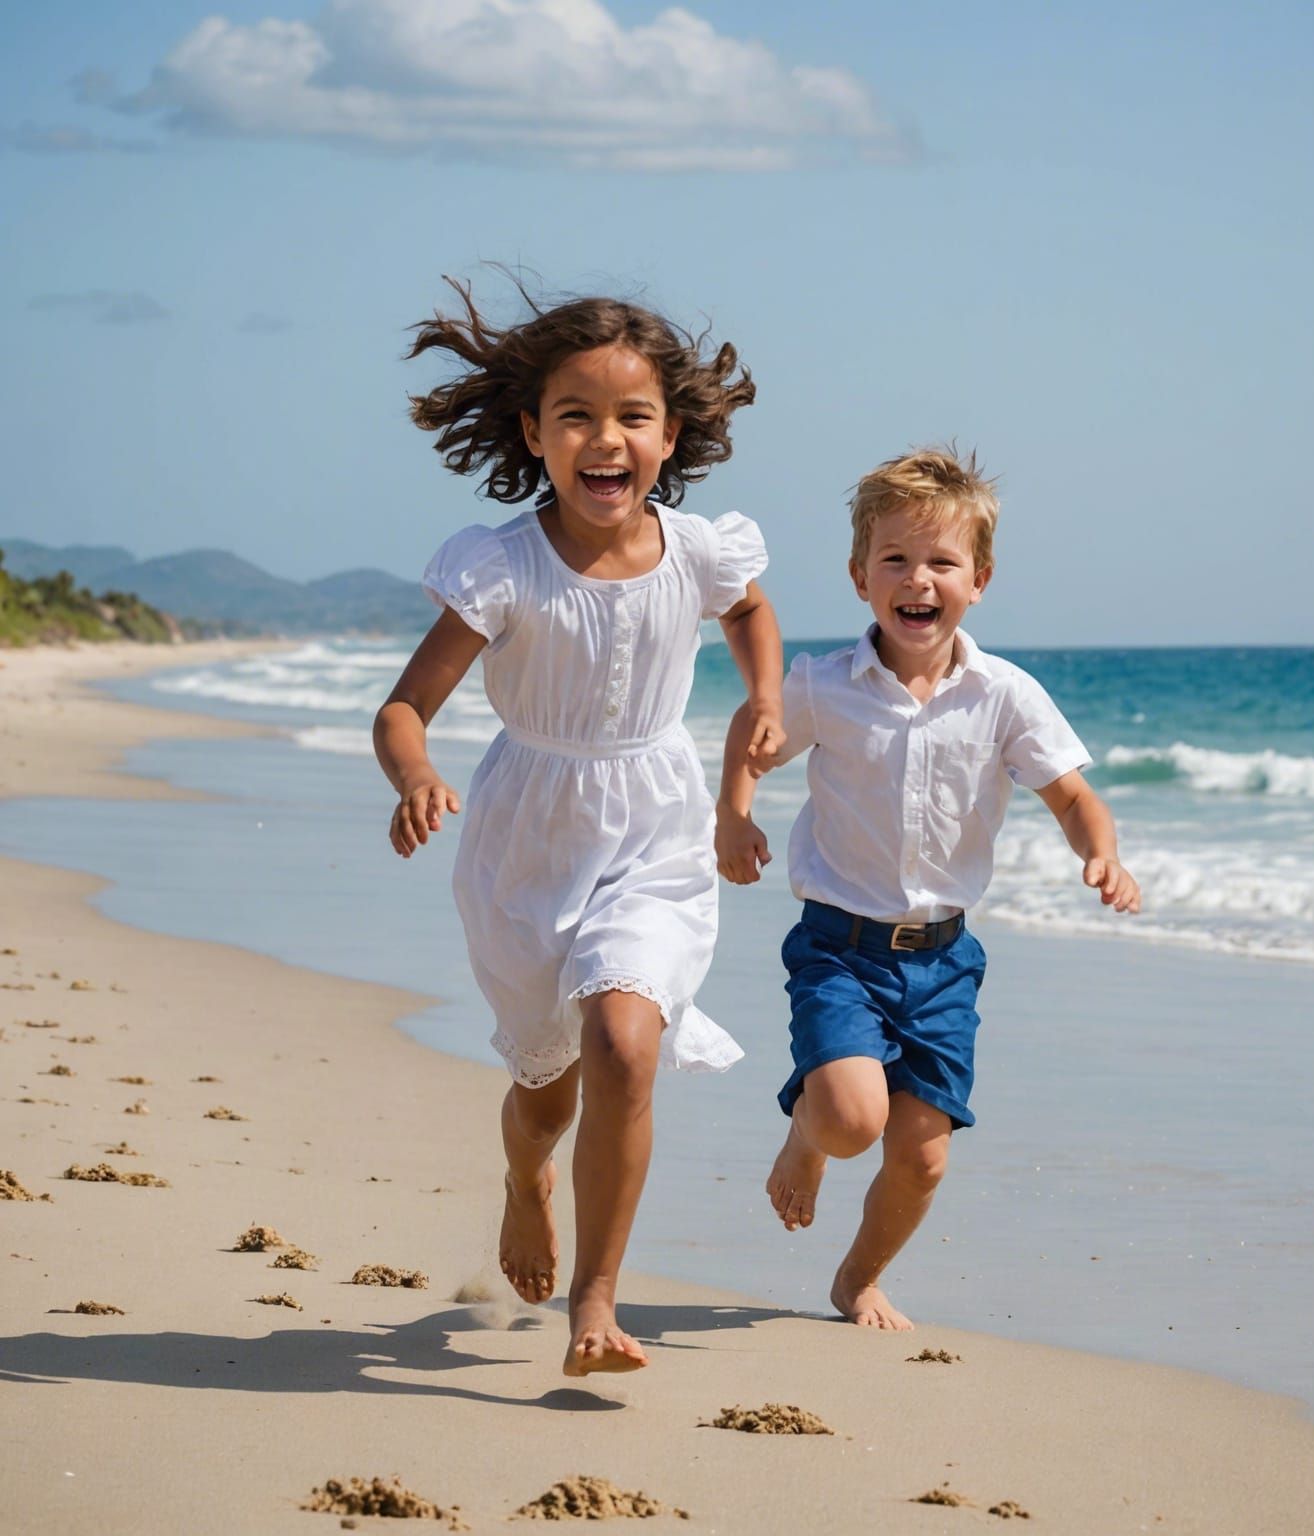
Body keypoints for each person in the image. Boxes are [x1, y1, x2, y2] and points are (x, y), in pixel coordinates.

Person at [374, 278, 784, 1375]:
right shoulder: (500, 565)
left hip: (656, 824)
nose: (606, 439)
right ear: (533, 433)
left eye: (632, 417)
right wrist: (414, 774)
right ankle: (524, 1180)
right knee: (546, 1087)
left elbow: (748, 609)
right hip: (525, 840)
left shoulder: (701, 551)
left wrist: (766, 701)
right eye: (577, 416)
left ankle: (597, 1301)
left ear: (672, 434)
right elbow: (405, 707)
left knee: (622, 1041)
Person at [716, 446, 1138, 1331]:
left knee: (922, 1158)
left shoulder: (1006, 695)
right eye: (896, 561)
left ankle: (857, 1278)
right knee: (850, 1118)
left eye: (942, 562)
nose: (919, 579)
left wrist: (1102, 854)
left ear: (978, 579)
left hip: (944, 963)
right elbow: (754, 739)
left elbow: (1071, 794)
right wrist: (734, 813)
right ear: (860, 577)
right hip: (838, 945)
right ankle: (808, 1138)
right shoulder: (823, 686)